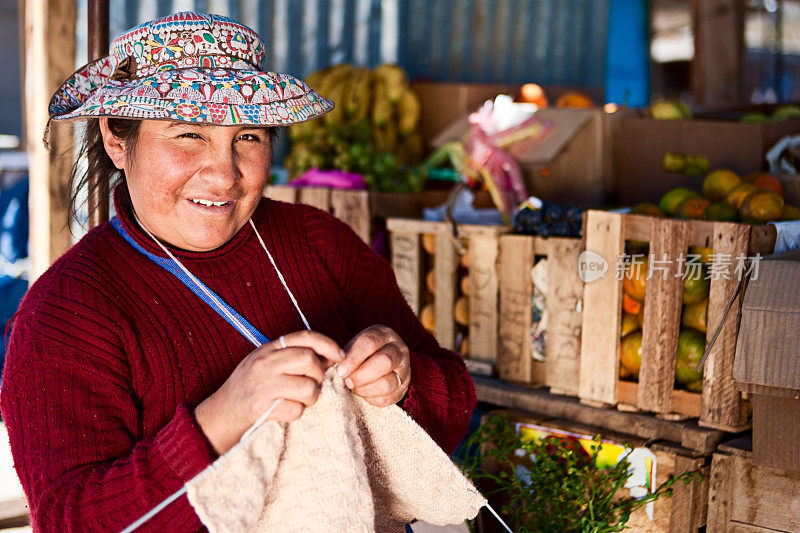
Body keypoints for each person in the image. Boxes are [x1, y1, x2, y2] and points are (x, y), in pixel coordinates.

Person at [0, 12, 476, 531]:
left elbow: (453, 403)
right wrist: (223, 417)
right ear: (117, 137)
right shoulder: (65, 315)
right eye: (188, 135)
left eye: (247, 136)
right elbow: (69, 520)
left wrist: (403, 379)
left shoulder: (319, 242)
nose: (224, 174)